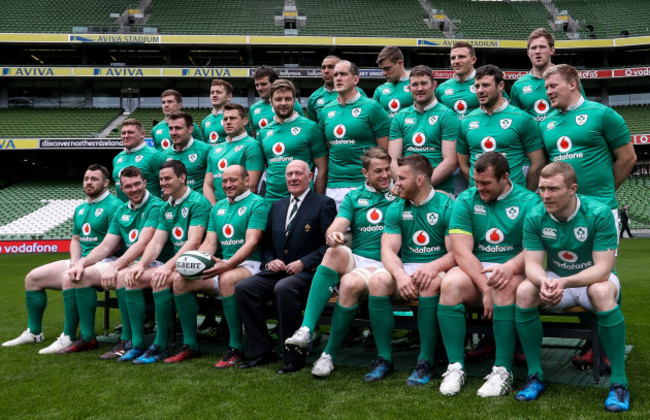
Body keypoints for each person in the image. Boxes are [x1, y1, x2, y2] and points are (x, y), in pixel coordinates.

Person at [515, 162, 630, 412]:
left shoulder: (598, 213)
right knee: (524, 291)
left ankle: (619, 383)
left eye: (553, 189)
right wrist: (543, 281)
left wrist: (563, 282)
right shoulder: (535, 215)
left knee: (601, 292)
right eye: (542, 188)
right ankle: (535, 375)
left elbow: (603, 269)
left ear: (572, 189)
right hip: (557, 278)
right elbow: (532, 263)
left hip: (593, 279)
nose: (545, 195)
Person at [284, 148, 397, 377]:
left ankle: (330, 354)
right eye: (378, 171)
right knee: (333, 252)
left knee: (348, 286)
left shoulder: (400, 193)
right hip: (360, 260)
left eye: (387, 169)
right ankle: (306, 330)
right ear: (365, 173)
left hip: (389, 263)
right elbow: (338, 224)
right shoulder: (354, 196)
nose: (385, 175)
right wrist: (333, 234)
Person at [437, 152, 541, 397]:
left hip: (514, 268)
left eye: (486, 183)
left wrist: (508, 270)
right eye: (476, 181)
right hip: (477, 268)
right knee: (450, 284)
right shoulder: (466, 199)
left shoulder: (529, 201)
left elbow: (533, 250)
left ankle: (502, 371)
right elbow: (462, 251)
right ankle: (455, 366)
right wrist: (485, 288)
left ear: (505, 177)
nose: (479, 188)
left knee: (502, 287)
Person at [2, 165, 122, 353]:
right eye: (86, 178)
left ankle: (70, 336)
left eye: (94, 179)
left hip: (108, 262)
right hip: (83, 260)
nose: (88, 182)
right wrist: (75, 260)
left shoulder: (115, 206)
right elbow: (75, 239)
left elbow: (113, 245)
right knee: (32, 278)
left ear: (106, 183)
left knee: (71, 277)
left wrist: (82, 264)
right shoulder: (81, 208)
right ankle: (34, 333)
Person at [236, 160, 336, 373]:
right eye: (289, 174)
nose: (293, 178)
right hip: (279, 270)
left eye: (299, 174)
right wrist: (269, 261)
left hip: (309, 273)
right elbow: (267, 244)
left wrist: (304, 263)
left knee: (284, 288)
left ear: (310, 177)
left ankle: (293, 356)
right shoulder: (277, 206)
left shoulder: (323, 203)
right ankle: (262, 351)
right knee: (245, 288)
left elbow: (328, 246)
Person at [60, 167, 170, 357]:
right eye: (128, 186)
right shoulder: (121, 209)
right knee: (81, 274)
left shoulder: (156, 206)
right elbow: (105, 246)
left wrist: (114, 265)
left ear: (145, 183)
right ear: (121, 188)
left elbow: (143, 243)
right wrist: (81, 263)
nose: (133, 189)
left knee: (120, 275)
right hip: (132, 263)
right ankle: (88, 337)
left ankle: (127, 339)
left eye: (137, 184)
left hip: (156, 262)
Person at [365, 154, 455, 385]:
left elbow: (456, 253)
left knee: (430, 282)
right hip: (406, 268)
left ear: (420, 180)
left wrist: (432, 267)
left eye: (402, 178)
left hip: (439, 266)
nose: (396, 184)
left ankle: (425, 361)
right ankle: (384, 358)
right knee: (377, 282)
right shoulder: (396, 207)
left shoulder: (448, 205)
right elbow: (387, 250)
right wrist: (400, 275)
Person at [172, 165, 268, 368]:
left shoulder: (258, 204)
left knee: (227, 279)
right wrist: (193, 262)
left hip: (251, 265)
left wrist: (228, 265)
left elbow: (252, 244)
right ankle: (190, 345)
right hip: (224, 264)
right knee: (181, 280)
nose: (228, 185)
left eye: (233, 180)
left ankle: (235, 348)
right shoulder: (218, 207)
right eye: (224, 181)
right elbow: (210, 244)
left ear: (247, 181)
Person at [124, 160, 212, 363]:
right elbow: (156, 242)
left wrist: (168, 265)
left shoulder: (198, 203)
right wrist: (141, 264)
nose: (162, 182)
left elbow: (194, 241)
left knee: (160, 279)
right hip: (178, 262)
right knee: (132, 278)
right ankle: (137, 344)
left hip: (200, 262)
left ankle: (164, 344)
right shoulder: (167, 206)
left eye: (167, 178)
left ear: (182, 178)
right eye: (161, 178)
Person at [457, 65, 546, 191]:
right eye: (477, 86)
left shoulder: (522, 118)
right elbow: (464, 165)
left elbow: (538, 163)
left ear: (500, 86)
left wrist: (523, 193)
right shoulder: (466, 121)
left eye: (486, 85)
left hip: (513, 200)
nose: (480, 90)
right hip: (478, 199)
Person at [319, 60, 391, 208]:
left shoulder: (372, 108)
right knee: (337, 231)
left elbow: (385, 151)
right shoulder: (326, 111)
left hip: (365, 184)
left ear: (356, 79)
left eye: (343, 74)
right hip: (335, 186)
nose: (338, 78)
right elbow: (329, 147)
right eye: (336, 74)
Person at [389, 65, 458, 195]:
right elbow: (393, 159)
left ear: (434, 85)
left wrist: (422, 187)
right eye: (415, 84)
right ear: (409, 88)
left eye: (424, 84)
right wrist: (403, 183)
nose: (420, 88)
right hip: (407, 191)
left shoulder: (448, 115)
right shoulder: (400, 116)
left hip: (439, 191)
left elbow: (450, 162)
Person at [259, 79, 328, 202]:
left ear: (294, 100)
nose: (283, 103)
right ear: (271, 102)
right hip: (271, 201)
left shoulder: (311, 128)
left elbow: (323, 168)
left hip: (302, 201)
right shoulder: (264, 132)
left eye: (288, 99)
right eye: (278, 99)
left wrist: (316, 200)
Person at [203, 103, 264, 205]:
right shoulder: (215, 149)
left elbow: (251, 186)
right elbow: (208, 185)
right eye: (225, 119)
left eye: (232, 118)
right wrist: (215, 208)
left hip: (242, 208)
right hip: (217, 209)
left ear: (244, 121)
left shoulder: (252, 146)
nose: (228, 122)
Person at [510, 28, 557, 122]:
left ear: (552, 50)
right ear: (528, 53)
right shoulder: (518, 86)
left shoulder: (566, 79)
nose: (537, 51)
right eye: (533, 48)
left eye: (542, 47)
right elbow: (514, 121)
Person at [112, 119, 163, 201]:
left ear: (142, 134)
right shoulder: (117, 159)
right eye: (123, 133)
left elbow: (168, 186)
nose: (126, 136)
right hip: (125, 211)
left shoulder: (155, 156)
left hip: (149, 210)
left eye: (130, 132)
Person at [161, 111, 212, 194]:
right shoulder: (164, 155)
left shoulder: (206, 150)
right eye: (171, 129)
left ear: (190, 129)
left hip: (199, 204)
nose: (173, 133)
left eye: (178, 128)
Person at [307, 55, 366, 123]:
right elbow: (314, 128)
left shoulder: (357, 92)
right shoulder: (313, 98)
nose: (326, 71)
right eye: (323, 67)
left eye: (331, 67)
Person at [248, 65, 304, 137]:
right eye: (257, 85)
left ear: (274, 83)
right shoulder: (253, 108)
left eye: (263, 84)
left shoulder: (292, 104)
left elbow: (303, 130)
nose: (259, 88)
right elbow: (255, 134)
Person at [435, 42, 480, 118]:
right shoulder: (441, 89)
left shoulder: (488, 84)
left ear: (473, 60)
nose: (456, 61)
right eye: (453, 58)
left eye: (461, 57)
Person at [373, 46, 413, 118]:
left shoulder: (417, 85)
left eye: (387, 68)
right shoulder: (380, 90)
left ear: (400, 63)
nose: (383, 73)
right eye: (382, 69)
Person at [201, 79, 232, 145]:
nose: (214, 95)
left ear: (229, 96)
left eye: (219, 92)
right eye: (212, 93)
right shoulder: (205, 121)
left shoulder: (236, 118)